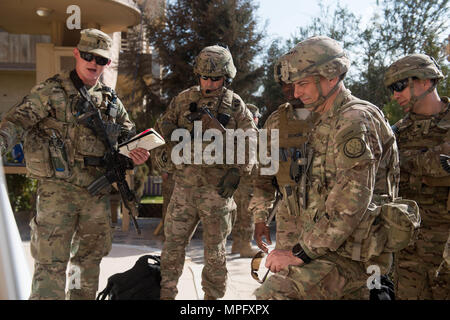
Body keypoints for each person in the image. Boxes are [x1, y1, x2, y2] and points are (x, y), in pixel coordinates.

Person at [0, 28, 149, 300]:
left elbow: (129, 135)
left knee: (86, 265)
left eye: (102, 60)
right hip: (58, 192)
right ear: (77, 54)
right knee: (51, 264)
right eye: (89, 56)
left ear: (108, 63)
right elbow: (16, 122)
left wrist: (135, 152)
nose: (94, 64)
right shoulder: (51, 92)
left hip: (96, 195)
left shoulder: (111, 101)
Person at [253, 36, 403, 300]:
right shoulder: (323, 118)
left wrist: (298, 253)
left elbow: (350, 203)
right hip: (323, 250)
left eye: (302, 84)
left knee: (273, 294)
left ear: (331, 77)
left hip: (350, 258)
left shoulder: (353, 120)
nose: (296, 93)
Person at [158, 45, 257, 300]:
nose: (209, 83)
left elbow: (252, 140)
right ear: (197, 74)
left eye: (216, 78)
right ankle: (166, 294)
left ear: (226, 77)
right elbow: (162, 127)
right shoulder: (183, 99)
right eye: (205, 77)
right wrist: (176, 139)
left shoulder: (234, 104)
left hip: (217, 191)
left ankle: (212, 300)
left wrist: (238, 170)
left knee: (214, 253)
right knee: (172, 247)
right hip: (184, 189)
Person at [384, 53, 450, 299]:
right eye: (392, 89)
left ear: (424, 81)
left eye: (400, 86)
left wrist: (408, 163)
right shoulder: (395, 134)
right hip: (409, 255)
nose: (395, 95)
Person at [250, 52, 307, 258]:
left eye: (291, 82)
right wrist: (260, 219)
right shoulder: (275, 121)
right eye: (283, 84)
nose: (287, 89)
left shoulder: (336, 118)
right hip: (289, 223)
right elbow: (263, 178)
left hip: (330, 222)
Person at [230, 103, 261, 258]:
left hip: (235, 183)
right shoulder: (251, 134)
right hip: (247, 183)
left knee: (238, 215)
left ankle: (237, 244)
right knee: (248, 215)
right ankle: (245, 246)